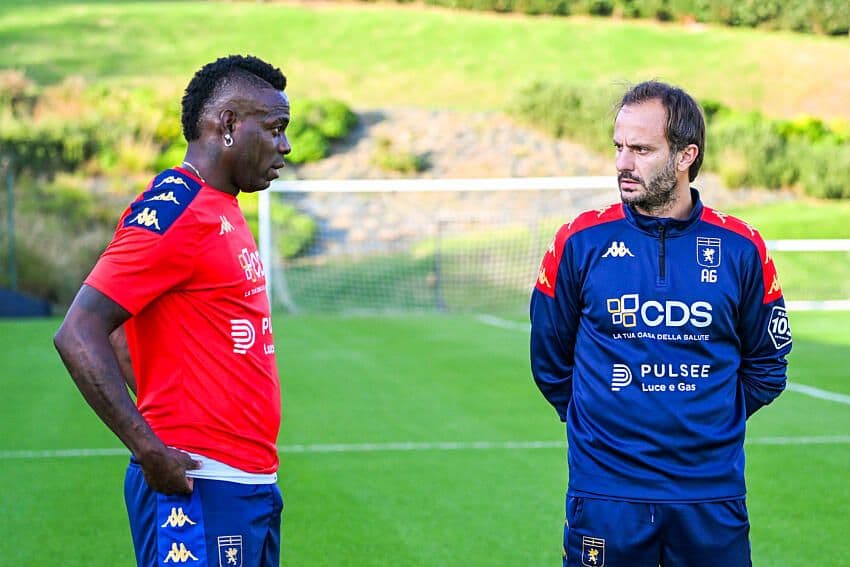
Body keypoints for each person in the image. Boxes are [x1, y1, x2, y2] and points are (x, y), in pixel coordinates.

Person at [530, 80, 792, 566]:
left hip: (709, 497)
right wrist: (603, 424)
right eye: (619, 147)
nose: (623, 163)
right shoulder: (578, 242)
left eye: (642, 150)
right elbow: (550, 363)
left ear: (686, 155)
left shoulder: (741, 248)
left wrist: (706, 422)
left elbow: (767, 367)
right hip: (606, 495)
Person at [54, 54, 291, 567]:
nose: (285, 146)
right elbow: (81, 330)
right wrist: (150, 448)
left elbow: (121, 331)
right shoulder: (177, 211)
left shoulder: (220, 205)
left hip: (246, 481)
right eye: (275, 129)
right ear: (228, 124)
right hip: (200, 485)